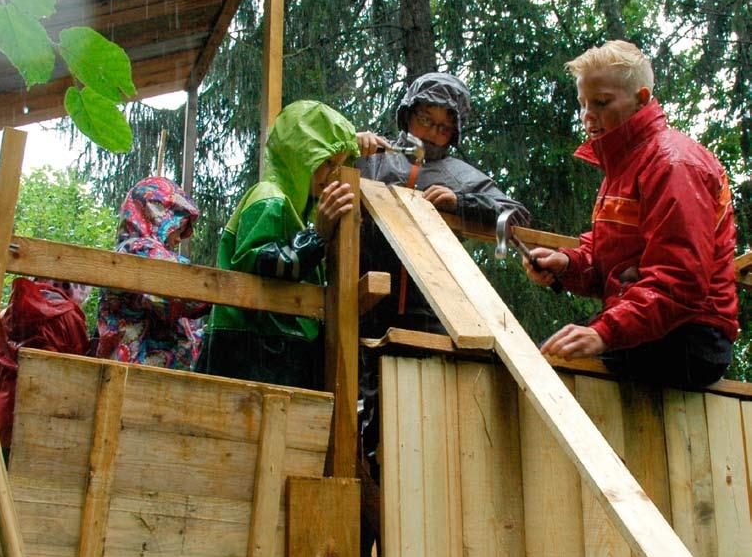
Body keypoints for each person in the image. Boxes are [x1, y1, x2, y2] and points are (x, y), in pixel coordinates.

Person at [524, 40, 739, 387]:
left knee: (549, 369)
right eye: (582, 104)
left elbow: (680, 281)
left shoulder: (672, 163)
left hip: (691, 335)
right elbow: (611, 261)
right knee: (542, 358)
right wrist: (567, 265)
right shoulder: (622, 167)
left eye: (602, 102)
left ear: (641, 99)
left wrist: (605, 333)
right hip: (650, 325)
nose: (588, 115)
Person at [355, 72, 530, 455]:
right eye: (426, 120)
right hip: (369, 307)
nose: (433, 133)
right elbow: (318, 177)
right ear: (407, 114)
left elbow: (515, 218)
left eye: (444, 127)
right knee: (374, 422)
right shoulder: (374, 158)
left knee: (430, 420)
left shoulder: (461, 177)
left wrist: (460, 203)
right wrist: (347, 146)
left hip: (431, 314)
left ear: (455, 133)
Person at [196, 99, 357, 388]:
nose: (334, 173)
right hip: (251, 353)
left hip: (273, 353)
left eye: (341, 165)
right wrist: (317, 236)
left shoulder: (293, 212)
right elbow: (263, 263)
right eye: (327, 162)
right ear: (298, 156)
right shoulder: (269, 197)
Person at [95, 176, 209, 370]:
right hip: (136, 376)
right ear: (159, 214)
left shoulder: (135, 249)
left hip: (139, 375)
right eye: (178, 227)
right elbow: (189, 295)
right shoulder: (139, 249)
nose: (179, 239)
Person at [0, 277, 90, 448]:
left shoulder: (6, 315)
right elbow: (82, 374)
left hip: (1, 416)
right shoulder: (70, 317)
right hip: (47, 421)